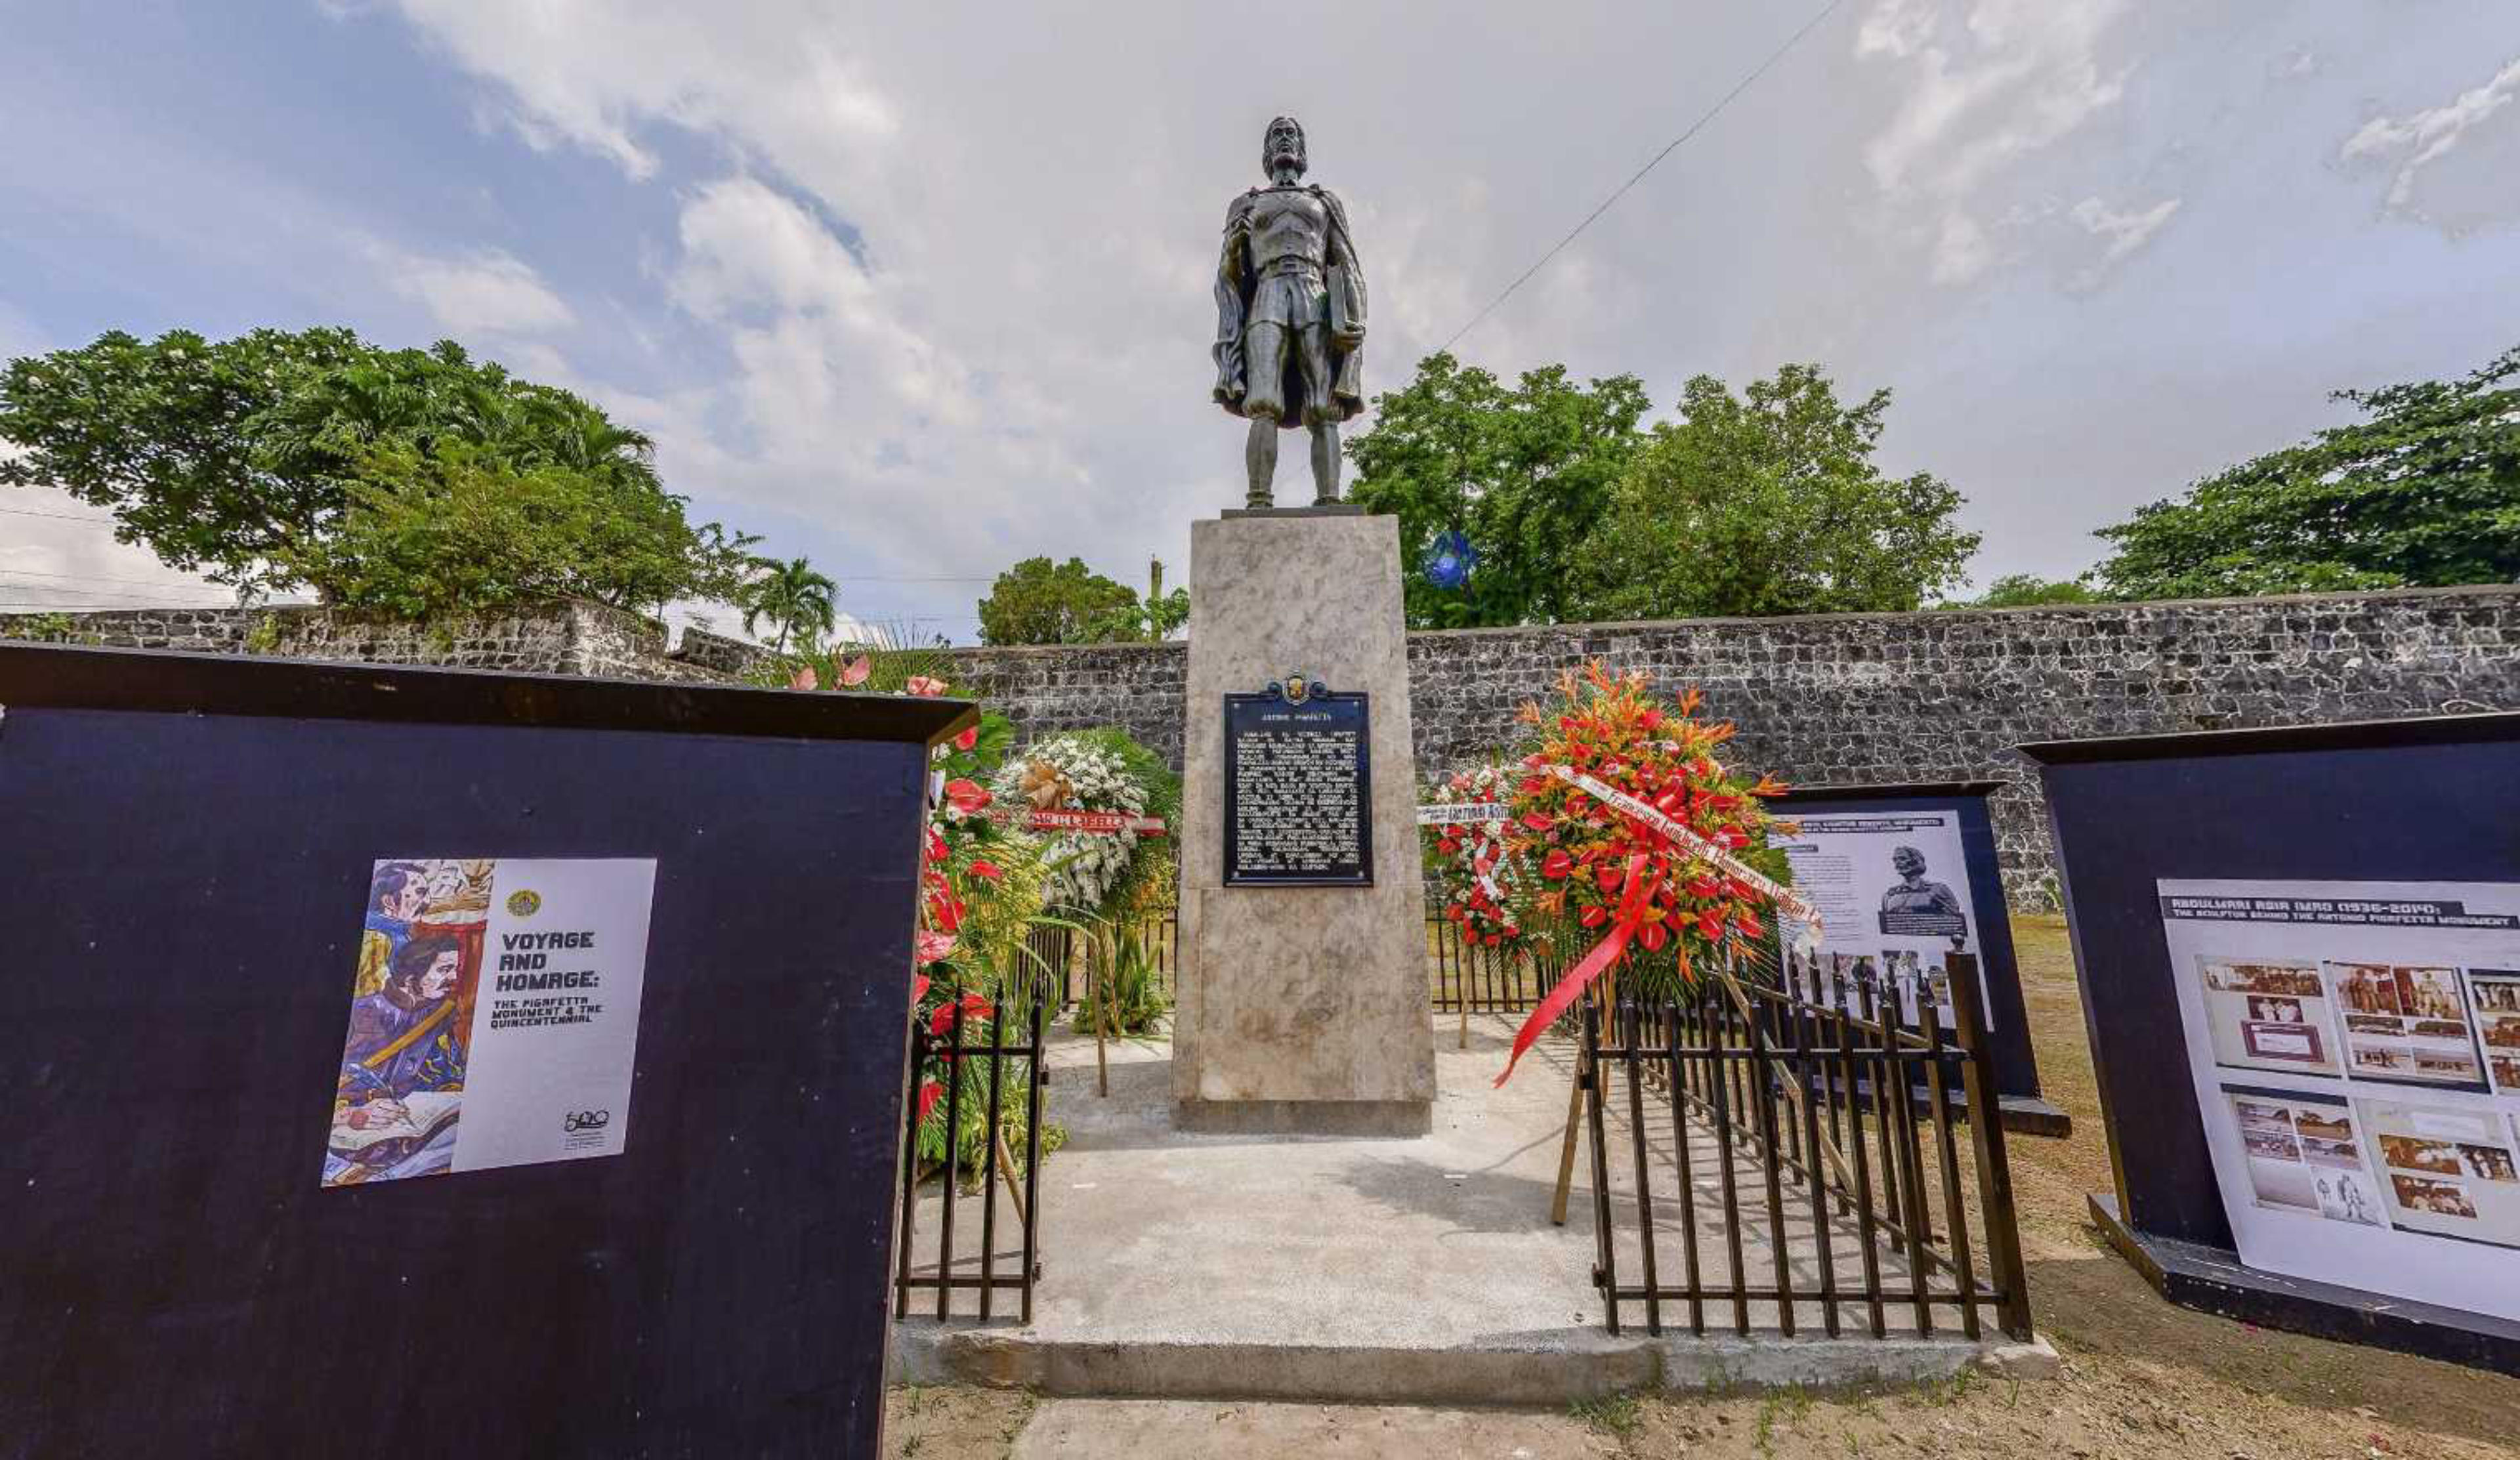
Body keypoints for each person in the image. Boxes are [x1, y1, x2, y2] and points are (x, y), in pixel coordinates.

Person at [1212, 115, 1367, 509]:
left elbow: (1347, 262)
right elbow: (1229, 275)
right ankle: (1258, 499)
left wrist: (1355, 319)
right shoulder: (1247, 204)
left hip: (1314, 294)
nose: (1284, 140)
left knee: (1324, 401)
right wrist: (1233, 246)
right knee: (1263, 399)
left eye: (1291, 134)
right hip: (1267, 292)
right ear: (1267, 151)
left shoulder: (1322, 202)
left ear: (1301, 149)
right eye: (1277, 135)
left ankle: (1330, 499)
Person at [1880, 846, 1964, 919]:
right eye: (1895, 860)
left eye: (1903, 859)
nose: (1898, 863)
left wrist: (1918, 911)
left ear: (1917, 861)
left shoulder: (1938, 889)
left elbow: (1955, 919)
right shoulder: (1889, 896)